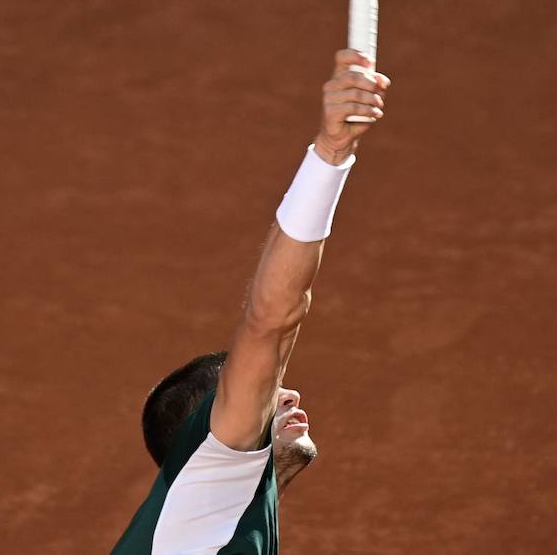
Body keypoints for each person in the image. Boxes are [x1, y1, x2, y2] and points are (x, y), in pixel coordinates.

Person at [111, 49, 390, 555]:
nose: (285, 393)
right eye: (261, 389)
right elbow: (271, 320)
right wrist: (330, 152)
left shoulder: (217, 523)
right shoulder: (211, 477)